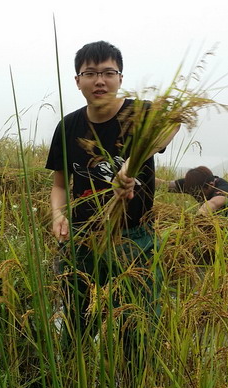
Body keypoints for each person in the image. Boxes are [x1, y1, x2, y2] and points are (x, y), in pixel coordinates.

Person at [46, 41, 178, 344]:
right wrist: (57, 214)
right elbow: (59, 185)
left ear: (120, 77)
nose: (99, 80)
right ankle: (71, 380)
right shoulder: (68, 126)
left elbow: (173, 122)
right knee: (77, 322)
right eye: (90, 73)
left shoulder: (140, 112)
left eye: (108, 72)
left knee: (138, 327)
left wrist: (133, 162)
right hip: (82, 238)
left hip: (135, 237)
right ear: (78, 80)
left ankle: (133, 385)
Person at [161, 165, 228, 223]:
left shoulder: (224, 190)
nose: (197, 196)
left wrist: (195, 221)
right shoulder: (194, 183)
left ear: (210, 185)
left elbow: (213, 204)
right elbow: (164, 185)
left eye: (199, 193)